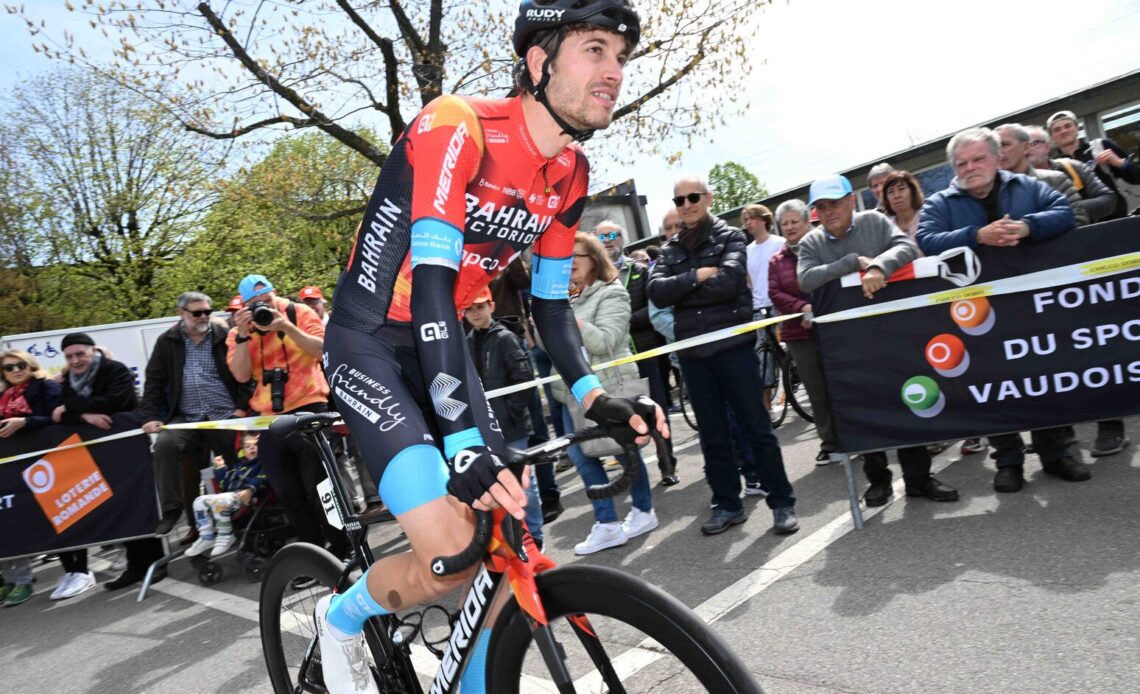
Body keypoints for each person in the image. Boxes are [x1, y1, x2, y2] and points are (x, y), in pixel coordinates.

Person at [314, 4, 666, 693]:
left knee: (506, 545)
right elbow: (436, 286)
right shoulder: (458, 124)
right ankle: (344, 614)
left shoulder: (570, 172)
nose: (614, 72)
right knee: (451, 554)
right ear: (538, 63)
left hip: (440, 346)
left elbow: (550, 303)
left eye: (621, 57)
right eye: (595, 50)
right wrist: (463, 441)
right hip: (370, 343)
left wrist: (595, 398)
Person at [916, 127, 1088, 494]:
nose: (970, 167)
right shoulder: (940, 203)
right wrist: (976, 236)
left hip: (1032, 306)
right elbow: (926, 241)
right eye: (961, 163)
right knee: (993, 384)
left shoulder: (1028, 187)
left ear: (997, 158)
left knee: (1042, 378)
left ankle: (1055, 455)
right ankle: (1008, 461)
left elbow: (1065, 213)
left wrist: (1027, 227)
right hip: (977, 313)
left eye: (978, 159)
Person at [649, 174, 798, 536]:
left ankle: (781, 503)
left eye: (693, 197)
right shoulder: (670, 249)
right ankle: (728, 504)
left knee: (756, 427)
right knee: (712, 436)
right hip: (694, 355)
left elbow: (730, 281)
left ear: (708, 198)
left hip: (733, 349)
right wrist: (697, 276)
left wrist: (683, 287)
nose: (686, 204)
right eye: (679, 199)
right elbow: (656, 292)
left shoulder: (731, 235)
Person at [799, 175, 960, 507]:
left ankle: (918, 478)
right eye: (821, 207)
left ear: (849, 202)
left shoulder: (874, 221)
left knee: (909, 399)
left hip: (894, 332)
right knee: (866, 407)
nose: (828, 213)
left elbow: (907, 247)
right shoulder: (811, 242)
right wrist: (849, 264)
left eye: (834, 204)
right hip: (848, 342)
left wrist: (878, 266)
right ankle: (878, 481)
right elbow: (805, 279)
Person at [551, 232, 659, 554]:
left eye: (575, 257)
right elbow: (546, 345)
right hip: (571, 394)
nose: (567, 264)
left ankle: (642, 511)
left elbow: (605, 341)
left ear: (594, 260)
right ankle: (609, 523)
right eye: (564, 258)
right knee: (580, 457)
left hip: (607, 388)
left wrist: (567, 318)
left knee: (621, 452)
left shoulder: (613, 292)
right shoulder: (562, 297)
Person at [227, 274, 348, 558]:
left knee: (319, 486)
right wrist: (244, 335)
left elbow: (322, 351)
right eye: (255, 304)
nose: (263, 308)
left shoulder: (298, 312)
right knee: (288, 492)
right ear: (245, 306)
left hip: (310, 406)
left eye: (267, 300)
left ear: (275, 293)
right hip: (270, 418)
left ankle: (342, 547)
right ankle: (313, 554)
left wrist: (286, 326)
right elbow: (241, 374)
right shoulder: (239, 332)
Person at [1047, 110, 1138, 457]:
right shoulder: (1051, 168)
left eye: (1067, 126)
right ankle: (1070, 428)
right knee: (1091, 334)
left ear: (1078, 129)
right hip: (1073, 258)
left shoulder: (1099, 148)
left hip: (1114, 244)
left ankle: (1111, 421)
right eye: (1057, 129)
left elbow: (1127, 183)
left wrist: (1116, 161)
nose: (1064, 132)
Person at [51, 333, 166, 592]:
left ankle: (155, 561)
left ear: (93, 351)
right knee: (118, 508)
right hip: (100, 453)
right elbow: (62, 416)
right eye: (69, 356)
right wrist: (87, 416)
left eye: (80, 354)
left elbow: (114, 401)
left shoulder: (115, 369)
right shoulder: (70, 378)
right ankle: (135, 566)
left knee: (138, 503)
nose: (75, 360)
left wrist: (73, 408)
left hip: (128, 448)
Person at [141, 292, 249, 545]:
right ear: (181, 313)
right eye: (197, 312)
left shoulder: (225, 334)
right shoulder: (167, 341)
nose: (204, 317)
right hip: (187, 417)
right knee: (165, 445)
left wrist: (242, 408)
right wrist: (150, 416)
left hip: (225, 415)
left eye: (207, 312)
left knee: (242, 462)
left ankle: (247, 519)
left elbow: (246, 371)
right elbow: (153, 382)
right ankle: (174, 511)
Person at [463, 288, 546, 548]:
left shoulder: (505, 339)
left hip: (511, 428)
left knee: (523, 484)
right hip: (482, 430)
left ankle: (535, 536)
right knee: (494, 485)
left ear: (491, 306)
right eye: (470, 308)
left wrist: (510, 412)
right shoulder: (465, 343)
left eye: (480, 306)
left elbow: (524, 379)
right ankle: (511, 539)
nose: (475, 313)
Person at [603, 220, 678, 485]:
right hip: (613, 360)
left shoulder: (640, 271)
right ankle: (632, 474)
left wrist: (621, 322)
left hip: (645, 351)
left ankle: (667, 464)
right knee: (621, 416)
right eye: (601, 237)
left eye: (612, 235)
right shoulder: (593, 281)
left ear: (621, 239)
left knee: (656, 409)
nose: (607, 240)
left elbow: (652, 310)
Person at [769, 201, 837, 464]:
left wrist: (817, 308)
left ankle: (857, 434)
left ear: (807, 222)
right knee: (817, 391)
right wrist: (803, 308)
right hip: (798, 333)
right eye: (784, 223)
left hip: (832, 326)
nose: (789, 227)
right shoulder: (777, 260)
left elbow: (833, 279)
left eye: (794, 221)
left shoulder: (824, 248)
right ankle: (830, 443)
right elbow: (776, 293)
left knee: (842, 384)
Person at [0, 349, 62, 606]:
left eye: (20, 365)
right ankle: (11, 579)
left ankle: (24, 580)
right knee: (8, 522)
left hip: (42, 466)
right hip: (9, 468)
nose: (15, 370)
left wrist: (25, 423)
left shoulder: (46, 387)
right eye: (9, 367)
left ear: (31, 365)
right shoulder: (2, 396)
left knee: (23, 522)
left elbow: (57, 419)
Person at [185, 433, 269, 558]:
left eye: (255, 445)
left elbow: (262, 478)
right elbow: (224, 484)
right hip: (228, 497)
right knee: (198, 501)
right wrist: (220, 469)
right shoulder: (237, 467)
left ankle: (226, 534)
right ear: (242, 451)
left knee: (219, 501)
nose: (252, 448)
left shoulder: (263, 464)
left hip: (247, 497)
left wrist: (250, 489)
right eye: (248, 446)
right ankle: (207, 536)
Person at [996, 123, 1088, 226]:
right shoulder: (988, 190)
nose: (999, 152)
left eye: (1004, 145)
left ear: (1025, 147)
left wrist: (1030, 229)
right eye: (995, 148)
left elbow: (1078, 221)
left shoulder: (1055, 180)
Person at [1024, 124, 1118, 223]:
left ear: (1047, 147)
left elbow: (1108, 198)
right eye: (1024, 146)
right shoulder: (1016, 182)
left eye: (1034, 143)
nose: (1029, 149)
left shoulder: (1072, 167)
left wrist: (1065, 210)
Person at [742, 203, 786, 412]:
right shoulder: (747, 251)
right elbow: (748, 280)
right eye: (746, 219)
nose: (748, 222)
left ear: (763, 219)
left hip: (780, 305)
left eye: (752, 218)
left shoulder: (779, 243)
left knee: (789, 350)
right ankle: (766, 404)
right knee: (763, 356)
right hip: (758, 308)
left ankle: (792, 374)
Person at [879, 170, 924, 242]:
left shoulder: (927, 218)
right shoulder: (887, 230)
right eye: (891, 192)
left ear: (913, 192)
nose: (896, 196)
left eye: (901, 189)